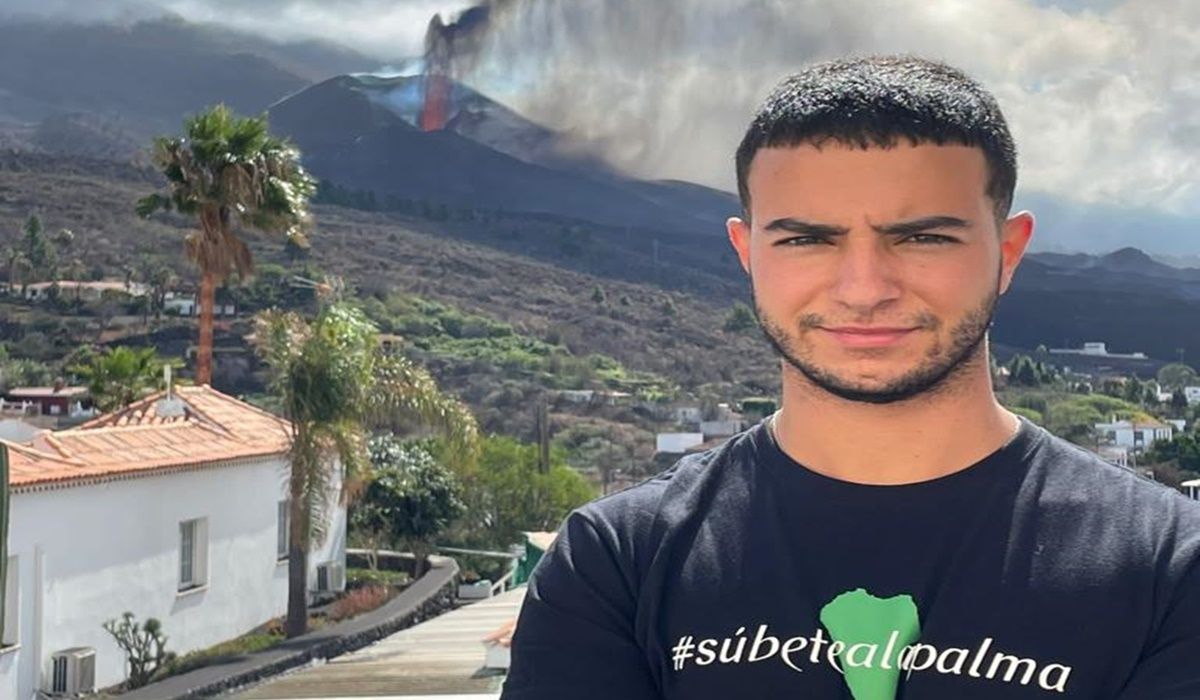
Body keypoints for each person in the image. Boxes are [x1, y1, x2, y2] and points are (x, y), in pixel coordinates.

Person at [500, 56, 1200, 699]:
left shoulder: (1169, 567)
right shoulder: (619, 560)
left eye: (923, 236)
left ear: (1007, 252)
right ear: (748, 253)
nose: (864, 288)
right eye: (807, 239)